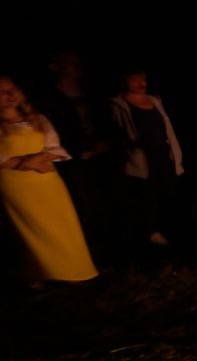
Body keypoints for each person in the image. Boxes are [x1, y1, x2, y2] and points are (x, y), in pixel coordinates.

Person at [0, 75, 98, 287]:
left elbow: (54, 146)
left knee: (60, 224)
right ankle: (36, 271)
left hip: (46, 179)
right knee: (29, 229)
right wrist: (24, 163)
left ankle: (71, 268)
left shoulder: (37, 118)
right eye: (2, 91)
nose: (10, 95)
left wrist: (39, 159)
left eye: (12, 89)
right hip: (16, 184)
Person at [39, 52, 113, 251]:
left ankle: (110, 244)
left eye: (77, 62)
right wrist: (78, 148)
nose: (76, 66)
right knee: (82, 203)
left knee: (105, 200)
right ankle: (89, 247)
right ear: (55, 67)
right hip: (72, 159)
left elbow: (105, 121)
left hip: (101, 155)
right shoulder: (49, 98)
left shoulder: (92, 94)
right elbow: (52, 130)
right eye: (70, 63)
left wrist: (105, 141)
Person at [107, 69, 185, 248]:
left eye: (143, 78)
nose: (141, 82)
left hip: (163, 154)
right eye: (134, 78)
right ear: (124, 81)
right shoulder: (118, 104)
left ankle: (169, 230)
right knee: (147, 195)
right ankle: (149, 233)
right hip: (141, 157)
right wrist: (131, 144)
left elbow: (166, 128)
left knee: (169, 191)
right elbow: (118, 132)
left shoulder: (155, 100)